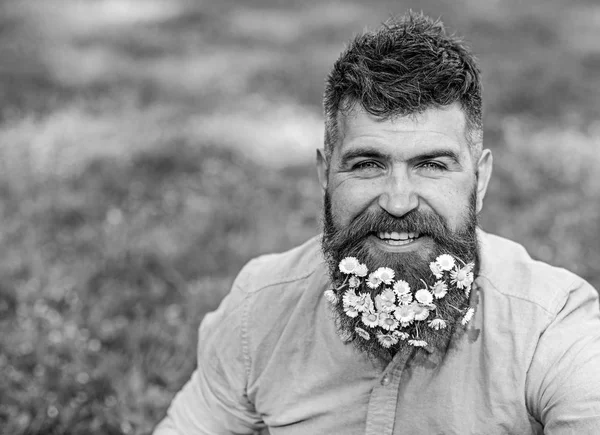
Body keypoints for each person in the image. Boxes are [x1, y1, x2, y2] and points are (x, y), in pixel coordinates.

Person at [154, 11, 600, 435]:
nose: (399, 201)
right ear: (323, 175)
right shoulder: (260, 309)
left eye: (432, 165)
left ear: (480, 179)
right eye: (368, 164)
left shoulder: (550, 328)